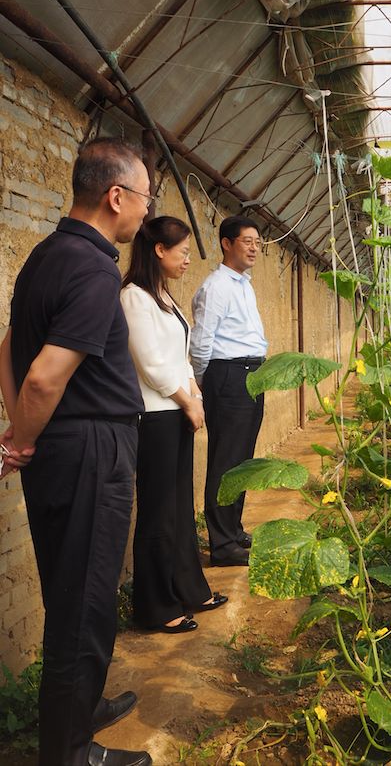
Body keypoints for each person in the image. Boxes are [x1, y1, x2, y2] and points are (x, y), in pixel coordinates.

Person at [0, 137, 153, 766]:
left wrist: (21, 434)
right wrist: (22, 437)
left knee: (75, 590)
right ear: (116, 196)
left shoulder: (45, 254)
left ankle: (81, 707)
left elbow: (7, 346)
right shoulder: (93, 267)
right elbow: (41, 376)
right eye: (145, 197)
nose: (146, 211)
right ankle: (68, 752)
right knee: (85, 602)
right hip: (89, 446)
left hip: (65, 446)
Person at [121, 217, 227, 634]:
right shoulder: (133, 297)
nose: (187, 259)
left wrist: (194, 398)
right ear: (159, 250)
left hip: (178, 412)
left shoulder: (163, 296)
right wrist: (188, 401)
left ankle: (189, 587)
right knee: (158, 512)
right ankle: (154, 606)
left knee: (181, 508)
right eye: (182, 251)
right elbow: (150, 364)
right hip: (156, 416)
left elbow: (180, 358)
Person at [190, 216, 267, 567]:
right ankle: (221, 545)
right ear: (226, 243)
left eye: (257, 242)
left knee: (242, 458)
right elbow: (202, 341)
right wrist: (206, 381)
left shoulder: (244, 285)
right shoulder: (216, 286)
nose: (254, 247)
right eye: (247, 241)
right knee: (225, 459)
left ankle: (233, 530)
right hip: (228, 375)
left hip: (251, 375)